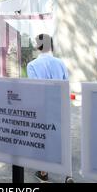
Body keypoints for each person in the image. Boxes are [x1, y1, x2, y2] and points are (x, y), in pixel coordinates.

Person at [26, 34, 70, 183]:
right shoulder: (61, 63)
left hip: (42, 107)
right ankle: (68, 175)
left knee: (43, 138)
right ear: (51, 45)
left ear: (38, 46)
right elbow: (66, 85)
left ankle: (44, 173)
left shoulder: (32, 65)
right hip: (59, 105)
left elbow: (34, 90)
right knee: (61, 138)